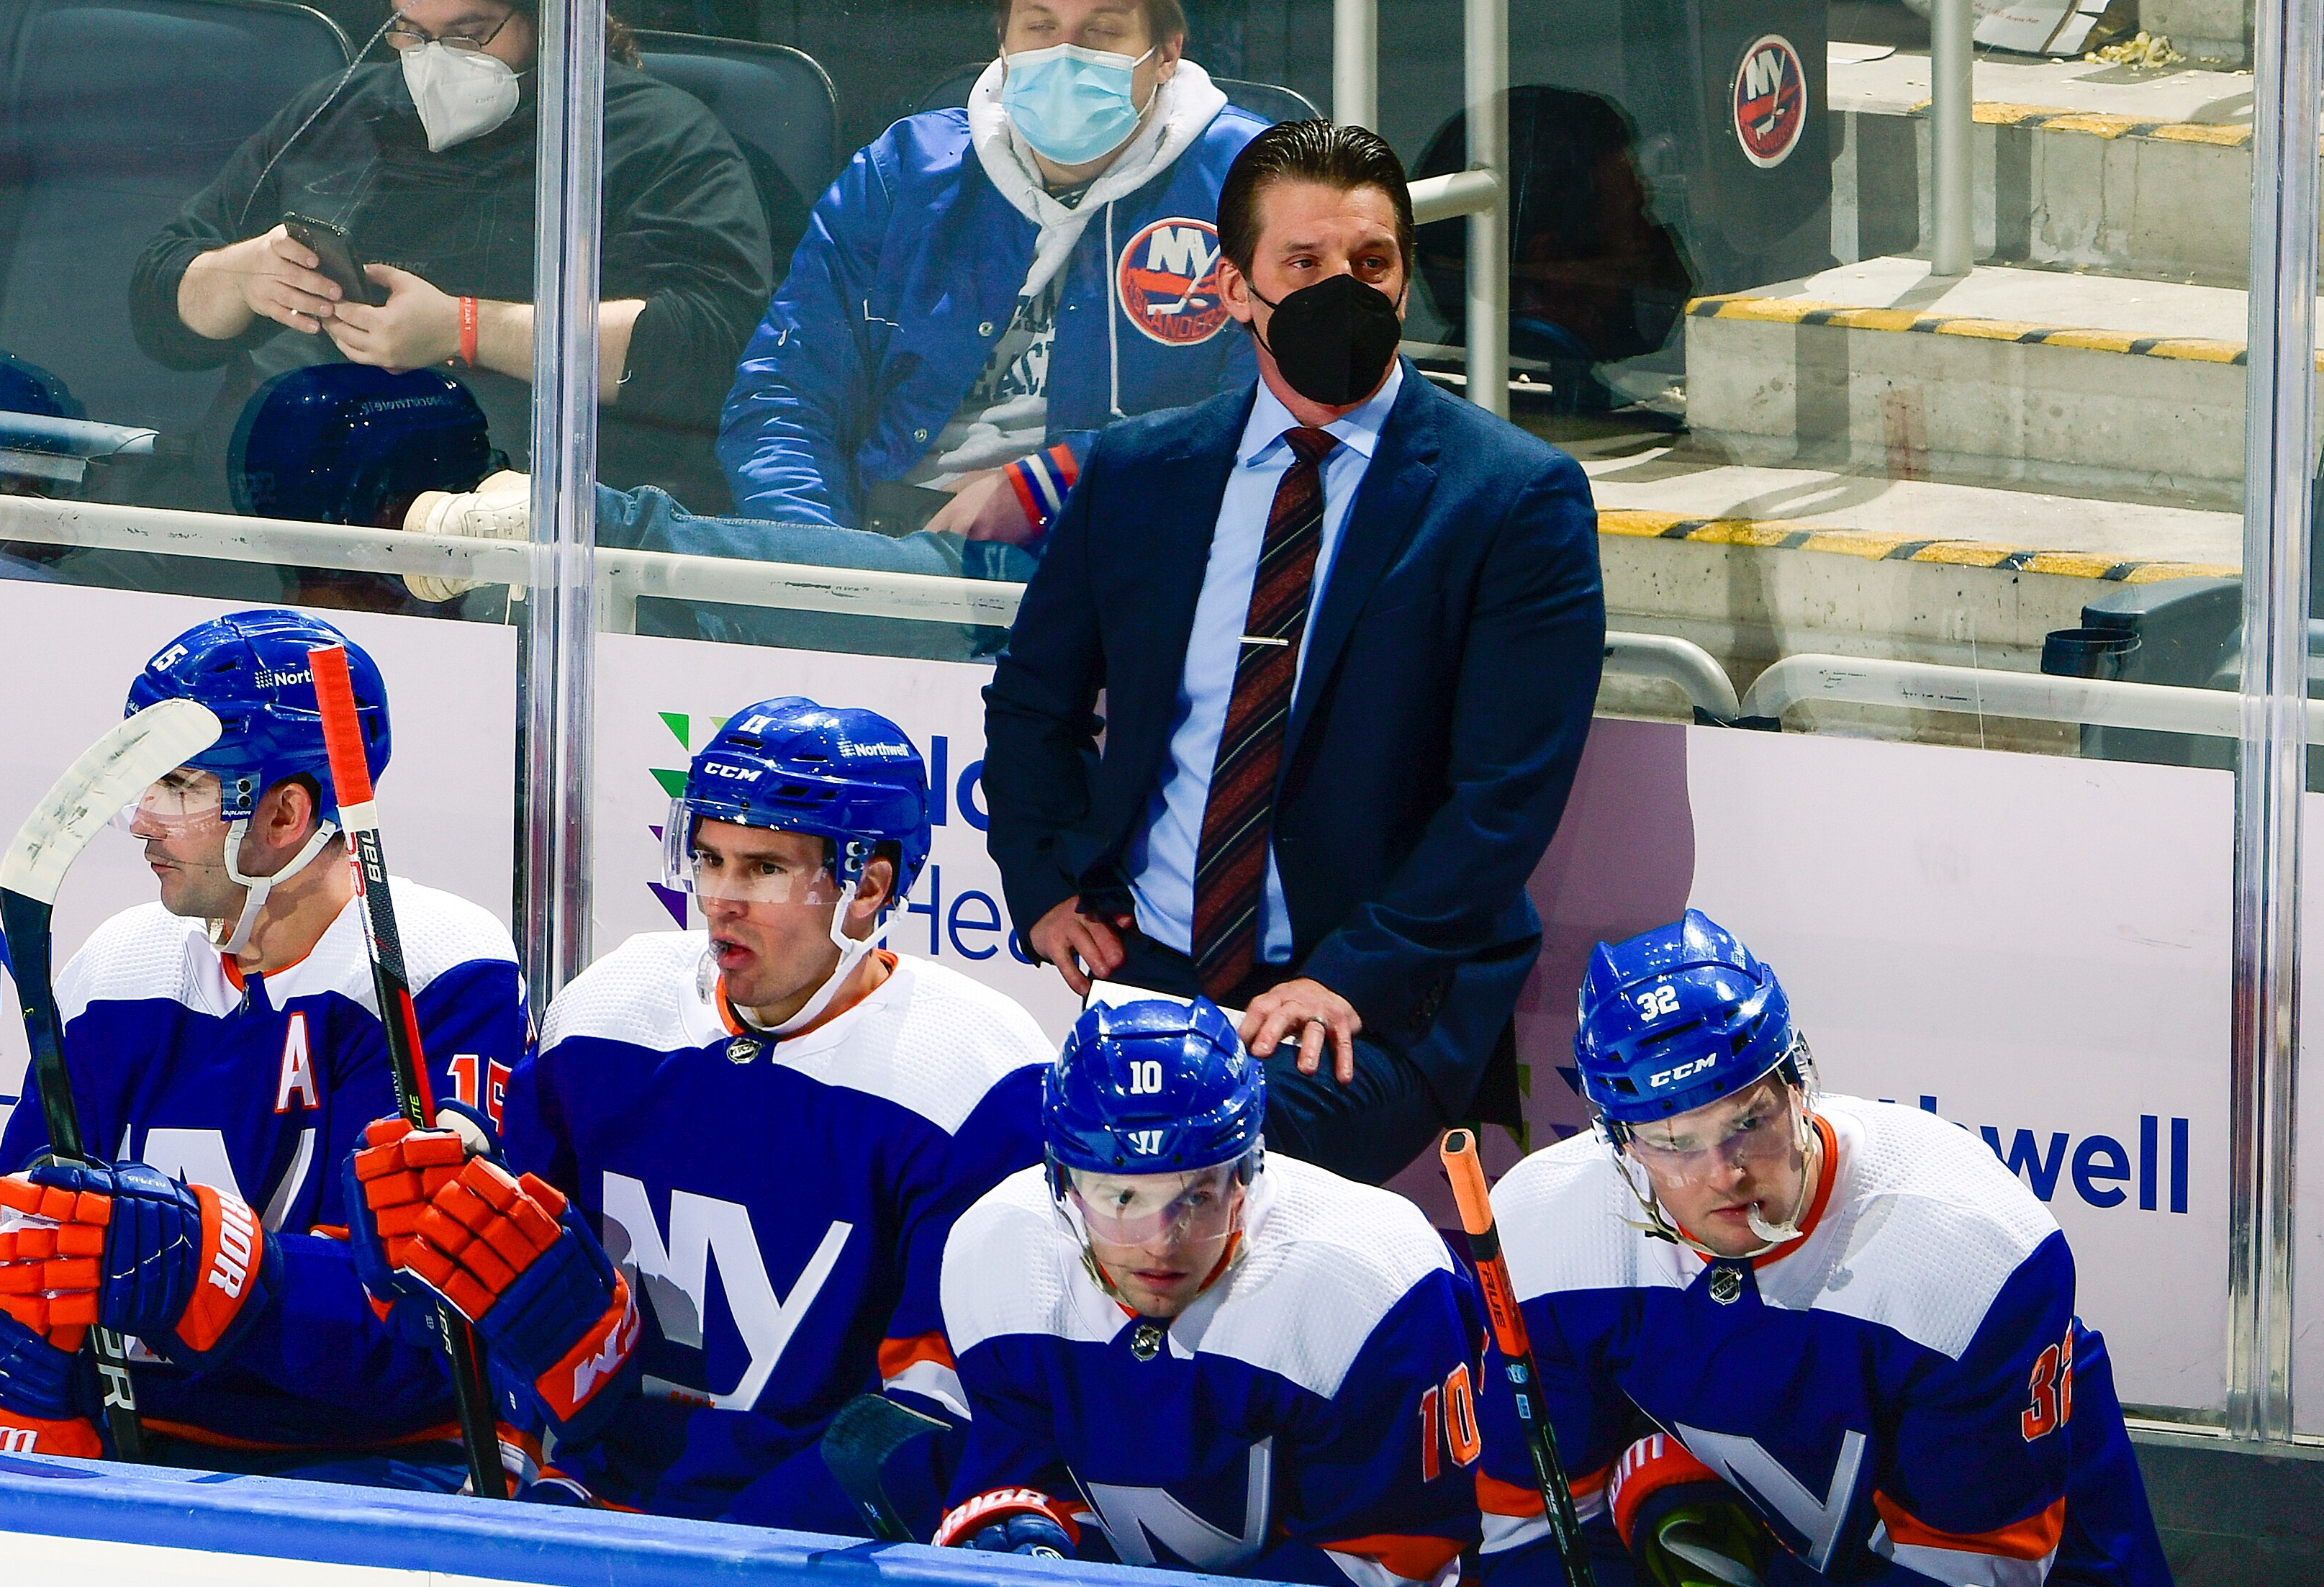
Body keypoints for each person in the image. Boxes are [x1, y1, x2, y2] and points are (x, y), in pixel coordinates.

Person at [980, 119, 1605, 1185]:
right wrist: (1040, 880)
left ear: (1407, 278)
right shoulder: (1140, 474)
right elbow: (1034, 700)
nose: (1344, 289)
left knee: (1194, 1168)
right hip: (1153, 969)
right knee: (1006, 1156)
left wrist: (1345, 977)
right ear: (1236, 289)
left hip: (1368, 996)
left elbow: (1504, 796)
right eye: (1304, 264)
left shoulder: (1511, 498)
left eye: (1371, 262)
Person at [340, 698, 1053, 1529]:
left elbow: (929, 1419)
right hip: (583, 1512)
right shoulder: (611, 1011)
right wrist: (429, 1235)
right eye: (709, 860)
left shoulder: (974, 1078)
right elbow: (495, 1296)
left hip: (808, 1552)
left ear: (866, 886)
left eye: (763, 869)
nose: (719, 899)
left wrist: (735, 1553)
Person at [0, 610, 530, 1484]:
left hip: (364, 1459)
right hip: (135, 1451)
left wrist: (201, 1266)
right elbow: (30, 1230)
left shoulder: (436, 969)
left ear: (288, 813)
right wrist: (12, 1372)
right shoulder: (119, 963)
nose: (142, 821)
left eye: (179, 787)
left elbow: (415, 1340)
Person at [1473, 912, 2172, 1587]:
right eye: (1674, 1142)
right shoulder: (1544, 1234)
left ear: (1798, 1083)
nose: (1723, 1172)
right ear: (1620, 1144)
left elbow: (1965, 1563)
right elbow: (1534, 1526)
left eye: (1747, 1121)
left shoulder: (1967, 1248)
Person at [130, 0, 771, 516]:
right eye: (409, 30)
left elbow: (714, 347)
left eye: (467, 34)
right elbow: (160, 302)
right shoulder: (333, 114)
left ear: (546, 16)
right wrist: (241, 274)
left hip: (498, 547)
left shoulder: (651, 135)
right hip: (253, 515)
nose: (434, 59)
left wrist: (466, 330)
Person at [931, 994, 1483, 1584]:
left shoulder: (1370, 1281)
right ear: (1061, 1183)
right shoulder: (996, 1247)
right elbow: (1024, 1478)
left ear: (1248, 1172)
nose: (1160, 1244)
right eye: (1122, 1198)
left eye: (1195, 1195)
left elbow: (1391, 1559)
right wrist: (1018, 1526)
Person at [714, 0, 1264, 543]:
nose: (1065, 54)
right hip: (883, 544)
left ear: (1166, 53)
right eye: (1039, 27)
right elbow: (783, 395)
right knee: (633, 554)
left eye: (1101, 32)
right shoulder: (904, 170)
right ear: (1002, 44)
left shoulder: (1255, 185)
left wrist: (1060, 483)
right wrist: (816, 561)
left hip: (1112, 552)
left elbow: (1273, 422)